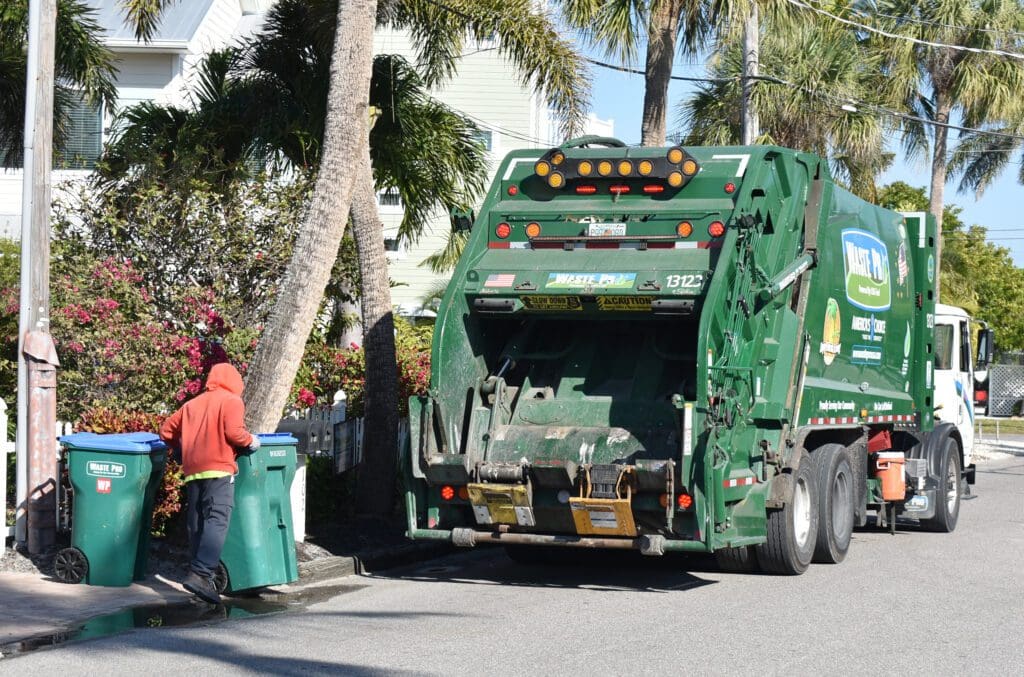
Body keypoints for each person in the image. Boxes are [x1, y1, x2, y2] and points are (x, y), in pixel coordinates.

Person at [159, 362, 259, 604]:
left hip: (193, 472)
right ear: (234, 382)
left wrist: (181, 451)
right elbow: (234, 433)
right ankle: (201, 574)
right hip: (219, 469)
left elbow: (166, 431)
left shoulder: (191, 404)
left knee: (198, 523)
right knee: (217, 520)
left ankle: (199, 576)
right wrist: (252, 441)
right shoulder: (232, 401)